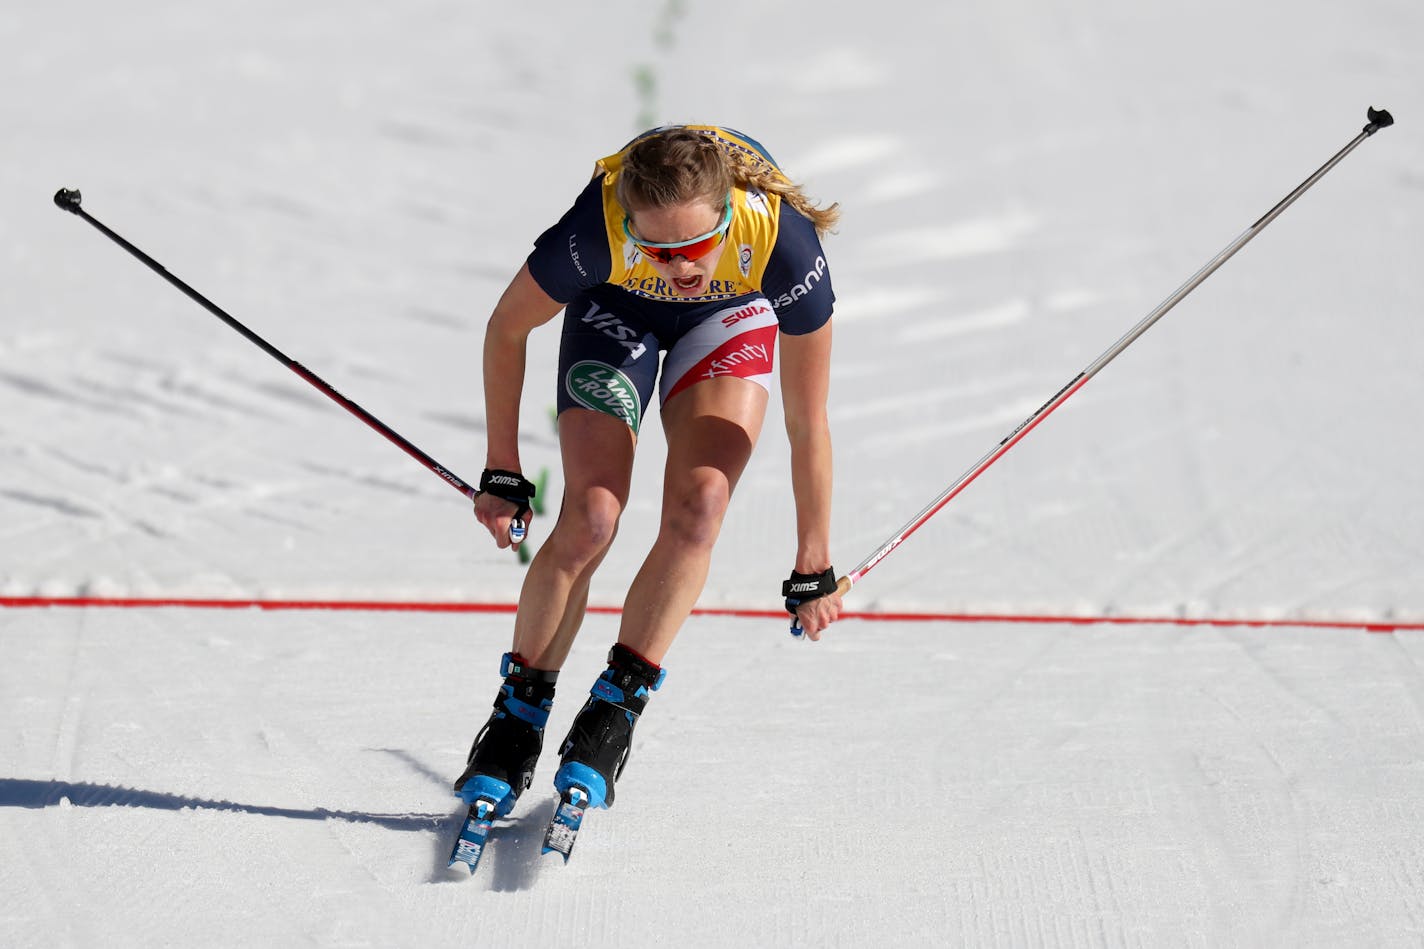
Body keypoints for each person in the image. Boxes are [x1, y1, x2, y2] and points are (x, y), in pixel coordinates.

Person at [453, 124, 844, 819]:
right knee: (593, 514)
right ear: (629, 223)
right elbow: (506, 328)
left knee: (701, 504)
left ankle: (616, 705)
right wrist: (503, 468)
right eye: (656, 249)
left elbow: (807, 419)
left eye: (697, 245)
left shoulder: (781, 241)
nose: (680, 267)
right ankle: (518, 714)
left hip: (726, 321)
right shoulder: (596, 231)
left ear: (728, 212)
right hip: (615, 313)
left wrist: (813, 559)